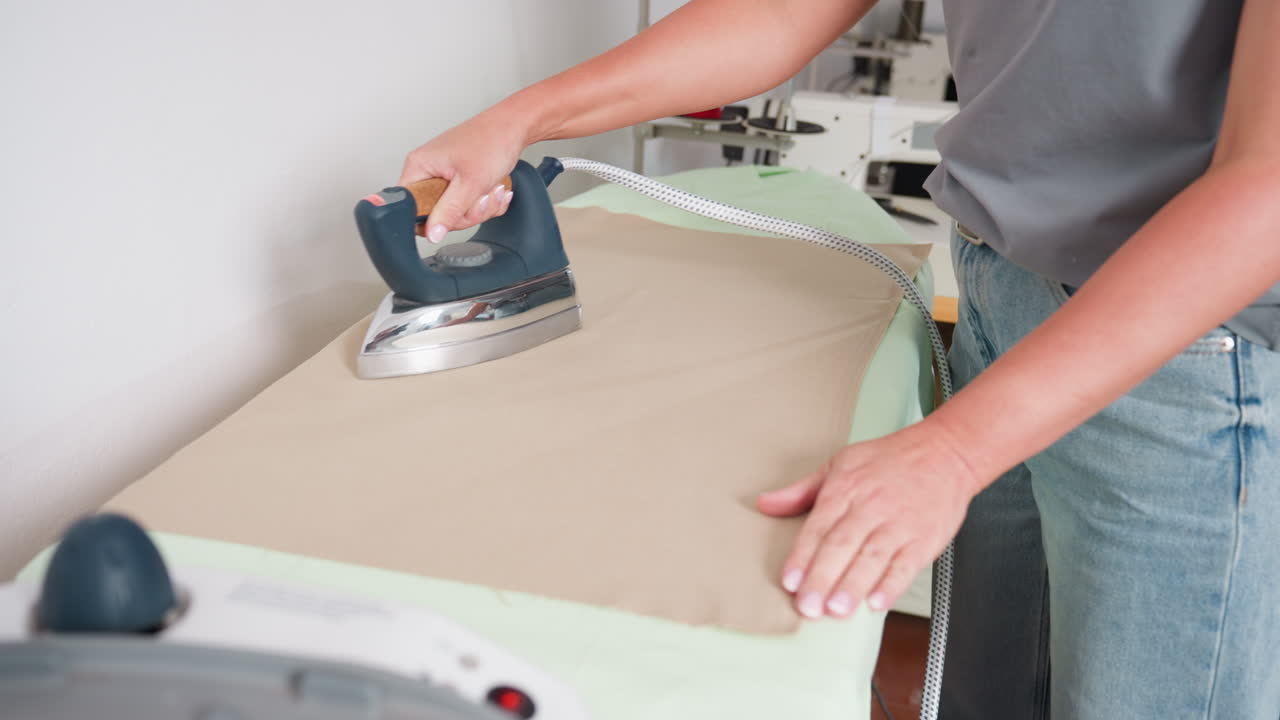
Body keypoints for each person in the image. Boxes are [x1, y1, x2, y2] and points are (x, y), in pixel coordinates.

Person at [398, 1, 1280, 717]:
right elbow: (781, 12)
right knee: (987, 696)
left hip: (1173, 351)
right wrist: (520, 119)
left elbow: (1268, 188)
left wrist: (955, 450)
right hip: (999, 282)